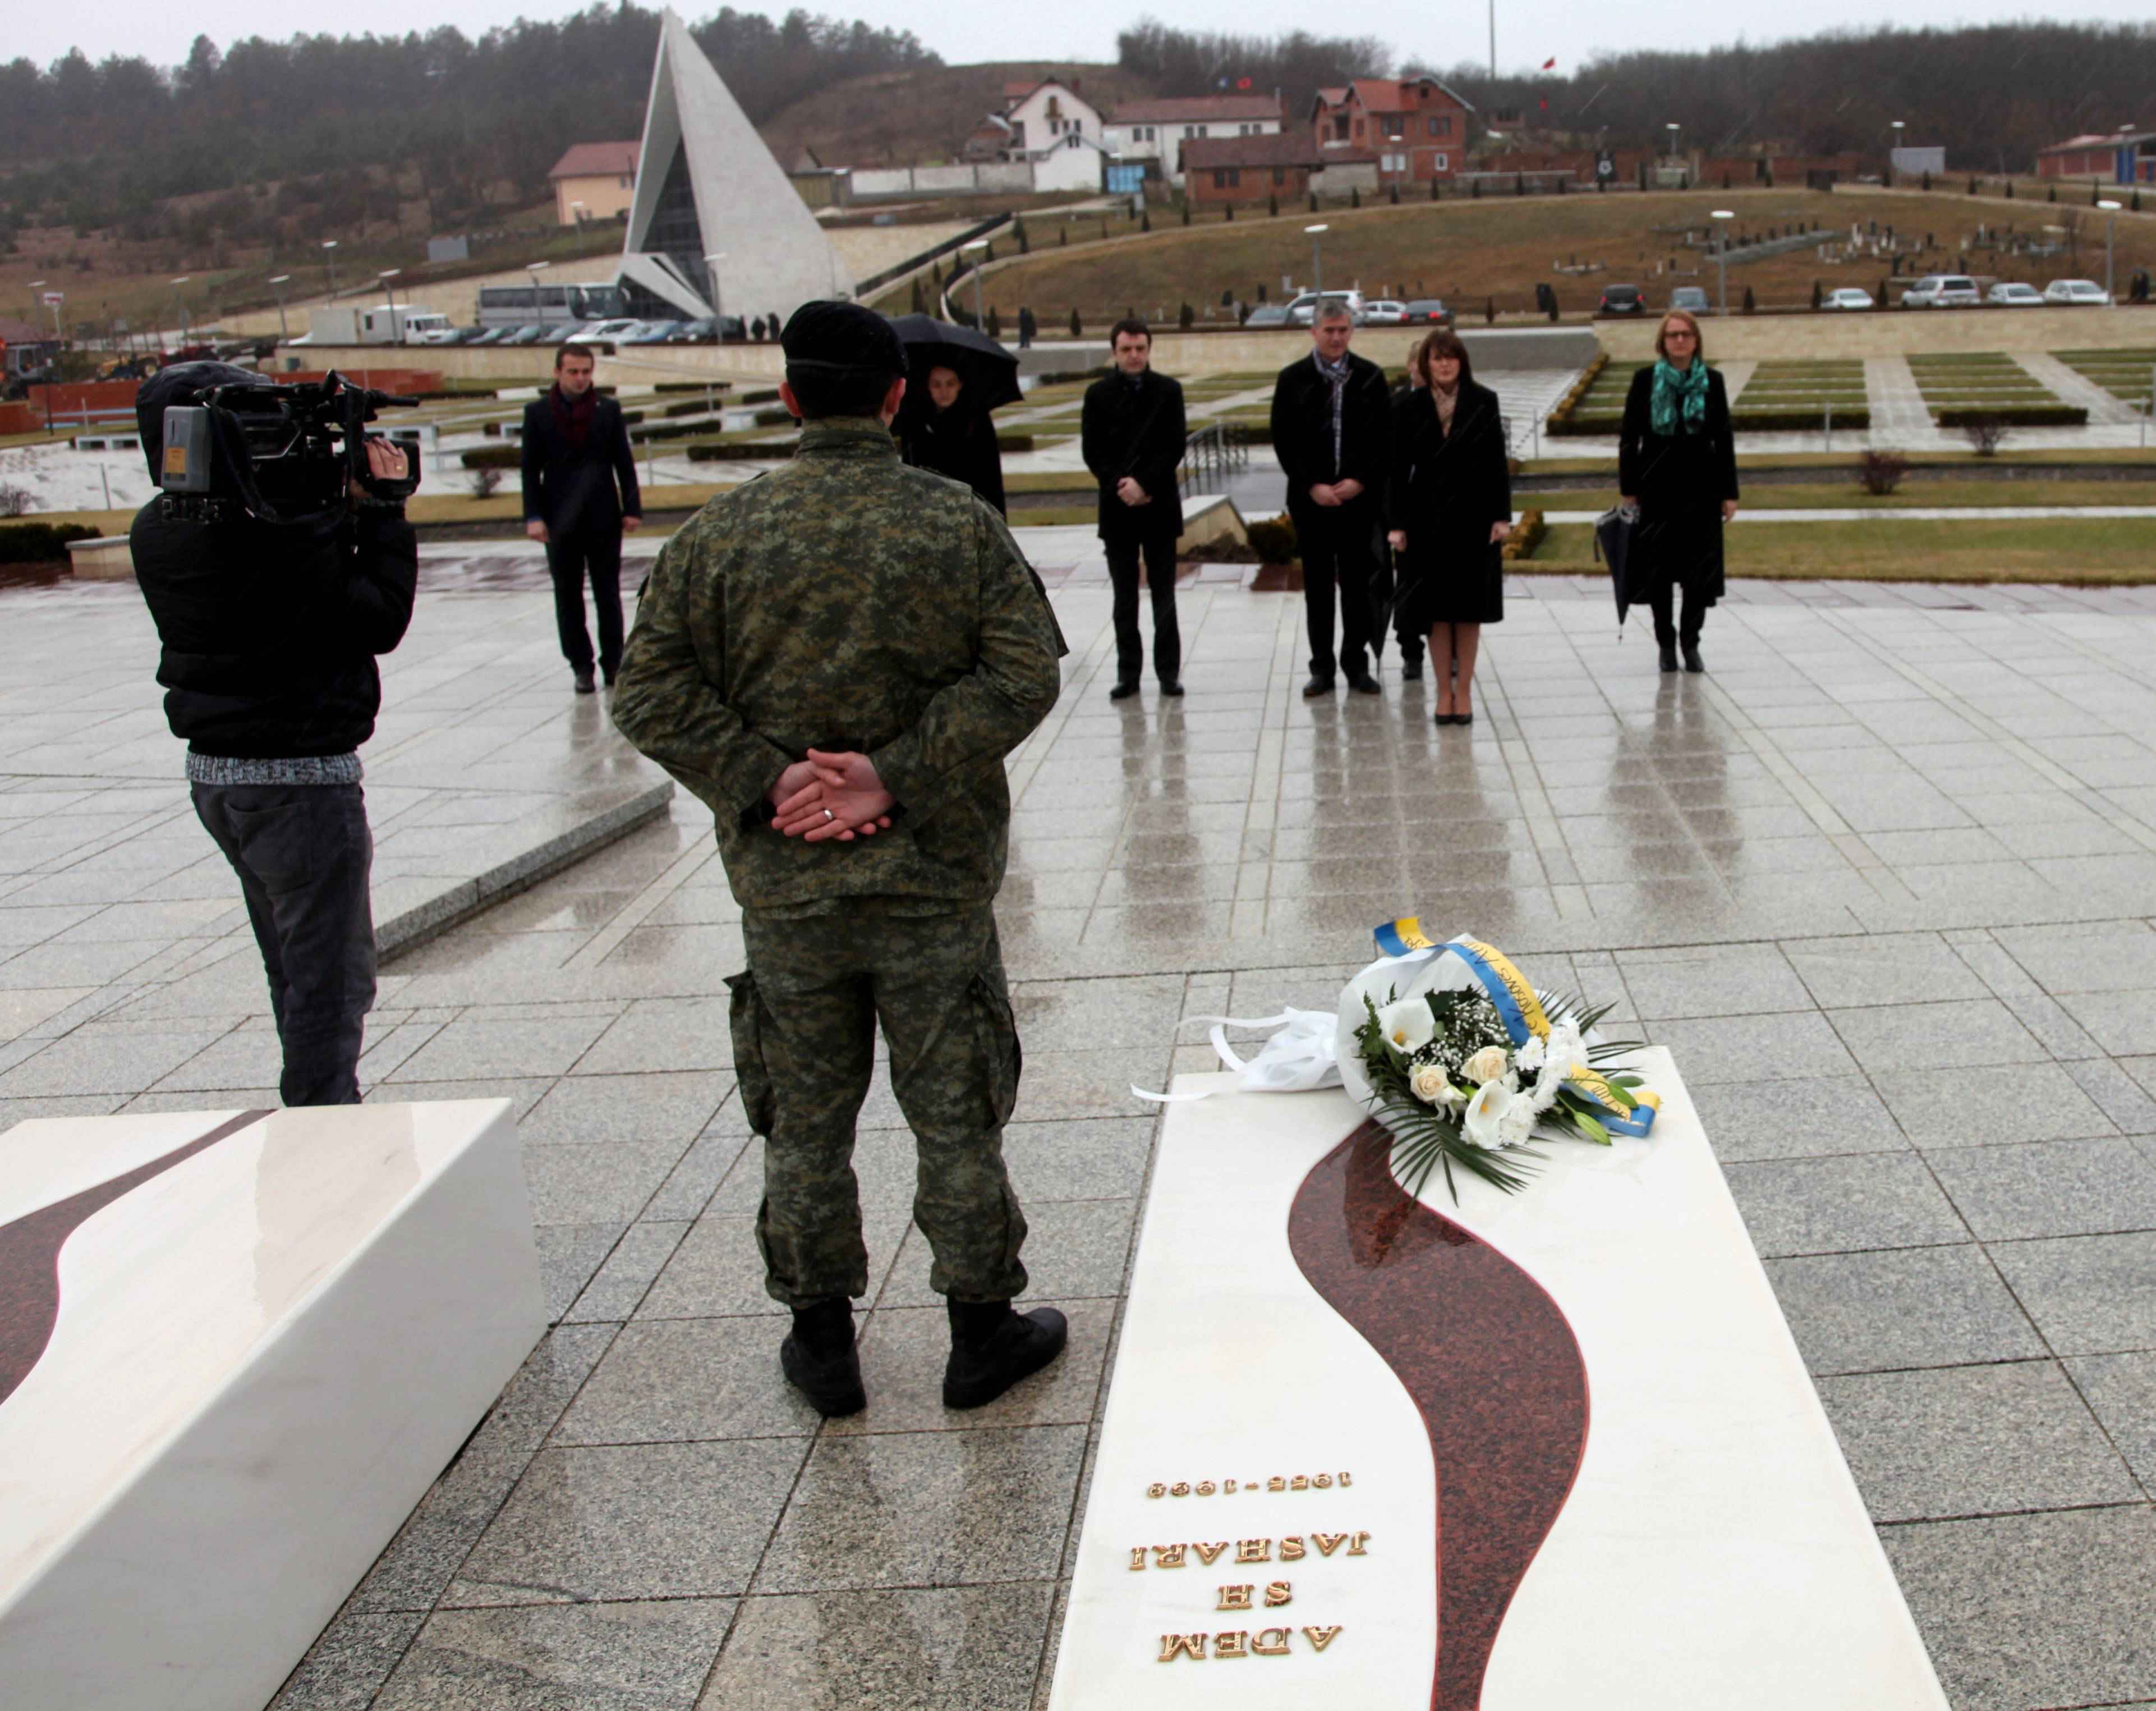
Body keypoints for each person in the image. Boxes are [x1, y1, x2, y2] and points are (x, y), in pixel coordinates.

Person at [610, 301, 1069, 1421]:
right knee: (953, 1109)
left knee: (804, 1121)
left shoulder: (716, 540)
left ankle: (822, 1346)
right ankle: (977, 1332)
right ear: (898, 396)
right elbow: (1024, 675)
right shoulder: (951, 526)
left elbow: (644, 692)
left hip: (788, 890)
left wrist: (771, 781)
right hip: (930, 883)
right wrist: (894, 773)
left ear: (787, 399)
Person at [129, 362, 417, 1106]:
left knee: (293, 969)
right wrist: (381, 511)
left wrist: (331, 509)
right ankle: (321, 1132)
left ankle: (314, 1120)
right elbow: (377, 618)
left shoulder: (157, 528)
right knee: (333, 981)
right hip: (299, 783)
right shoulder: (282, 529)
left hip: (220, 779)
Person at [1386, 329, 1513, 726]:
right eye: (1437, 358)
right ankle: (1443, 693)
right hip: (1425, 521)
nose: (1443, 364)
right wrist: (1395, 524)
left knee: (1468, 610)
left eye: (1450, 357)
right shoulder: (1408, 405)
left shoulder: (1483, 400)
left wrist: (1501, 516)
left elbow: (1496, 462)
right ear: (1426, 363)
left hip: (1472, 519)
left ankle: (1464, 693)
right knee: (1437, 612)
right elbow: (1394, 470)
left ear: (1461, 362)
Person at [1270, 299, 1391, 698]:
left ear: (1351, 331)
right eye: (1329, 331)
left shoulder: (1370, 378)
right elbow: (1284, 440)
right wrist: (1311, 484)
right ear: (1314, 332)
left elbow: (1382, 440)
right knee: (1318, 589)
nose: (1336, 337)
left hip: (1357, 503)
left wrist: (1359, 479)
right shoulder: (1292, 379)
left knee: (1356, 588)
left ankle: (1355, 665)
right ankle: (1321, 668)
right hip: (1312, 504)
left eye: (1343, 330)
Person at [1618, 309, 1739, 673]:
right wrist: (1629, 488)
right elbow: (1628, 439)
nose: (1680, 341)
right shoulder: (1644, 381)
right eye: (1673, 335)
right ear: (1663, 341)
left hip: (1701, 493)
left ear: (1696, 339)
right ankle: (1665, 643)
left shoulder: (1711, 382)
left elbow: (1724, 439)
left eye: (1686, 334)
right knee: (1658, 574)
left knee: (1697, 576)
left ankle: (1690, 642)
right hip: (1657, 492)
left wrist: (1729, 492)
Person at [520, 342, 641, 694]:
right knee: (568, 596)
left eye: (586, 371)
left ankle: (614, 663)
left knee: (609, 594)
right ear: (558, 372)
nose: (581, 378)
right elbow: (529, 470)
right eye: (573, 372)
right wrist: (533, 516)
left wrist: (632, 508)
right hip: (560, 520)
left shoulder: (608, 410)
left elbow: (624, 462)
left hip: (603, 518)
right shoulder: (538, 413)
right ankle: (581, 666)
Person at [1081, 318, 1187, 701]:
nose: (1134, 355)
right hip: (1118, 510)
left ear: (1148, 349)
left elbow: (1173, 445)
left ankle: (1168, 673)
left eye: (1140, 348)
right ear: (1115, 351)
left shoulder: (1168, 391)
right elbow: (1093, 452)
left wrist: (1144, 483)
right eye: (1126, 349)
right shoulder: (1097, 395)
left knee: (1164, 596)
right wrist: (1121, 486)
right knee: (1124, 598)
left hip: (1158, 506)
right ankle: (1128, 674)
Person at [895, 363, 1007, 516]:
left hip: (968, 512)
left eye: (950, 384)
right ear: (928, 386)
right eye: (937, 385)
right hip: (927, 512)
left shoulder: (977, 421)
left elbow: (991, 477)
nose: (944, 391)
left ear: (960, 385)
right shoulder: (916, 421)